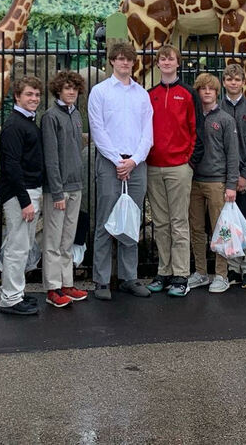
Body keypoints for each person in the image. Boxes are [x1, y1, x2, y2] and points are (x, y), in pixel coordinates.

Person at [87, 42, 153, 300]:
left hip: (136, 164)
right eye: (120, 59)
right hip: (109, 162)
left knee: (131, 221)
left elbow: (148, 133)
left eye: (129, 59)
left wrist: (134, 161)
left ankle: (129, 277)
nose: (125, 63)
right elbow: (98, 130)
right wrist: (117, 161)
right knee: (106, 220)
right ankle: (101, 281)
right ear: (112, 61)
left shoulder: (141, 94)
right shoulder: (100, 92)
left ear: (133, 63)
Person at [145, 44, 197, 296]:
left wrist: (189, 160)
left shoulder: (187, 93)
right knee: (161, 223)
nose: (166, 62)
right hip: (153, 166)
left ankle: (180, 274)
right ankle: (163, 271)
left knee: (179, 222)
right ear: (157, 63)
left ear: (178, 63)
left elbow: (196, 128)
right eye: (162, 58)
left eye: (171, 58)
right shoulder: (149, 94)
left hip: (179, 167)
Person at [0, 76, 45, 316]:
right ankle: (11, 298)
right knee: (18, 246)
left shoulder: (26, 122)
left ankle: (8, 291)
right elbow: (11, 166)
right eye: (29, 94)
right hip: (20, 193)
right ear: (17, 96)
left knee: (16, 244)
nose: (34, 99)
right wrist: (25, 201)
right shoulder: (15, 125)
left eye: (37, 95)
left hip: (27, 191)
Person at [186, 73, 239, 294]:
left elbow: (233, 154)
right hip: (194, 180)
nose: (207, 92)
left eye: (211, 89)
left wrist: (231, 185)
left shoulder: (225, 119)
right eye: (203, 88)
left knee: (221, 231)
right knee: (196, 229)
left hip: (217, 183)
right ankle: (200, 272)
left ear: (217, 92)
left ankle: (221, 274)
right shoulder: (193, 117)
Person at [41, 70, 88, 308]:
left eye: (74, 88)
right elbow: (51, 157)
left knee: (68, 239)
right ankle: (52, 287)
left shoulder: (76, 114)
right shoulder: (51, 117)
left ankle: (67, 283)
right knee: (53, 239)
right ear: (58, 90)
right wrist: (57, 192)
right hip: (58, 190)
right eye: (67, 88)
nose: (71, 92)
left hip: (75, 186)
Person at [219, 63, 246, 289]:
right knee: (230, 221)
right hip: (224, 175)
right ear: (224, 82)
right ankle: (233, 268)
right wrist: (230, 177)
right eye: (229, 79)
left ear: (244, 83)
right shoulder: (217, 109)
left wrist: (245, 176)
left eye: (237, 79)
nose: (233, 83)